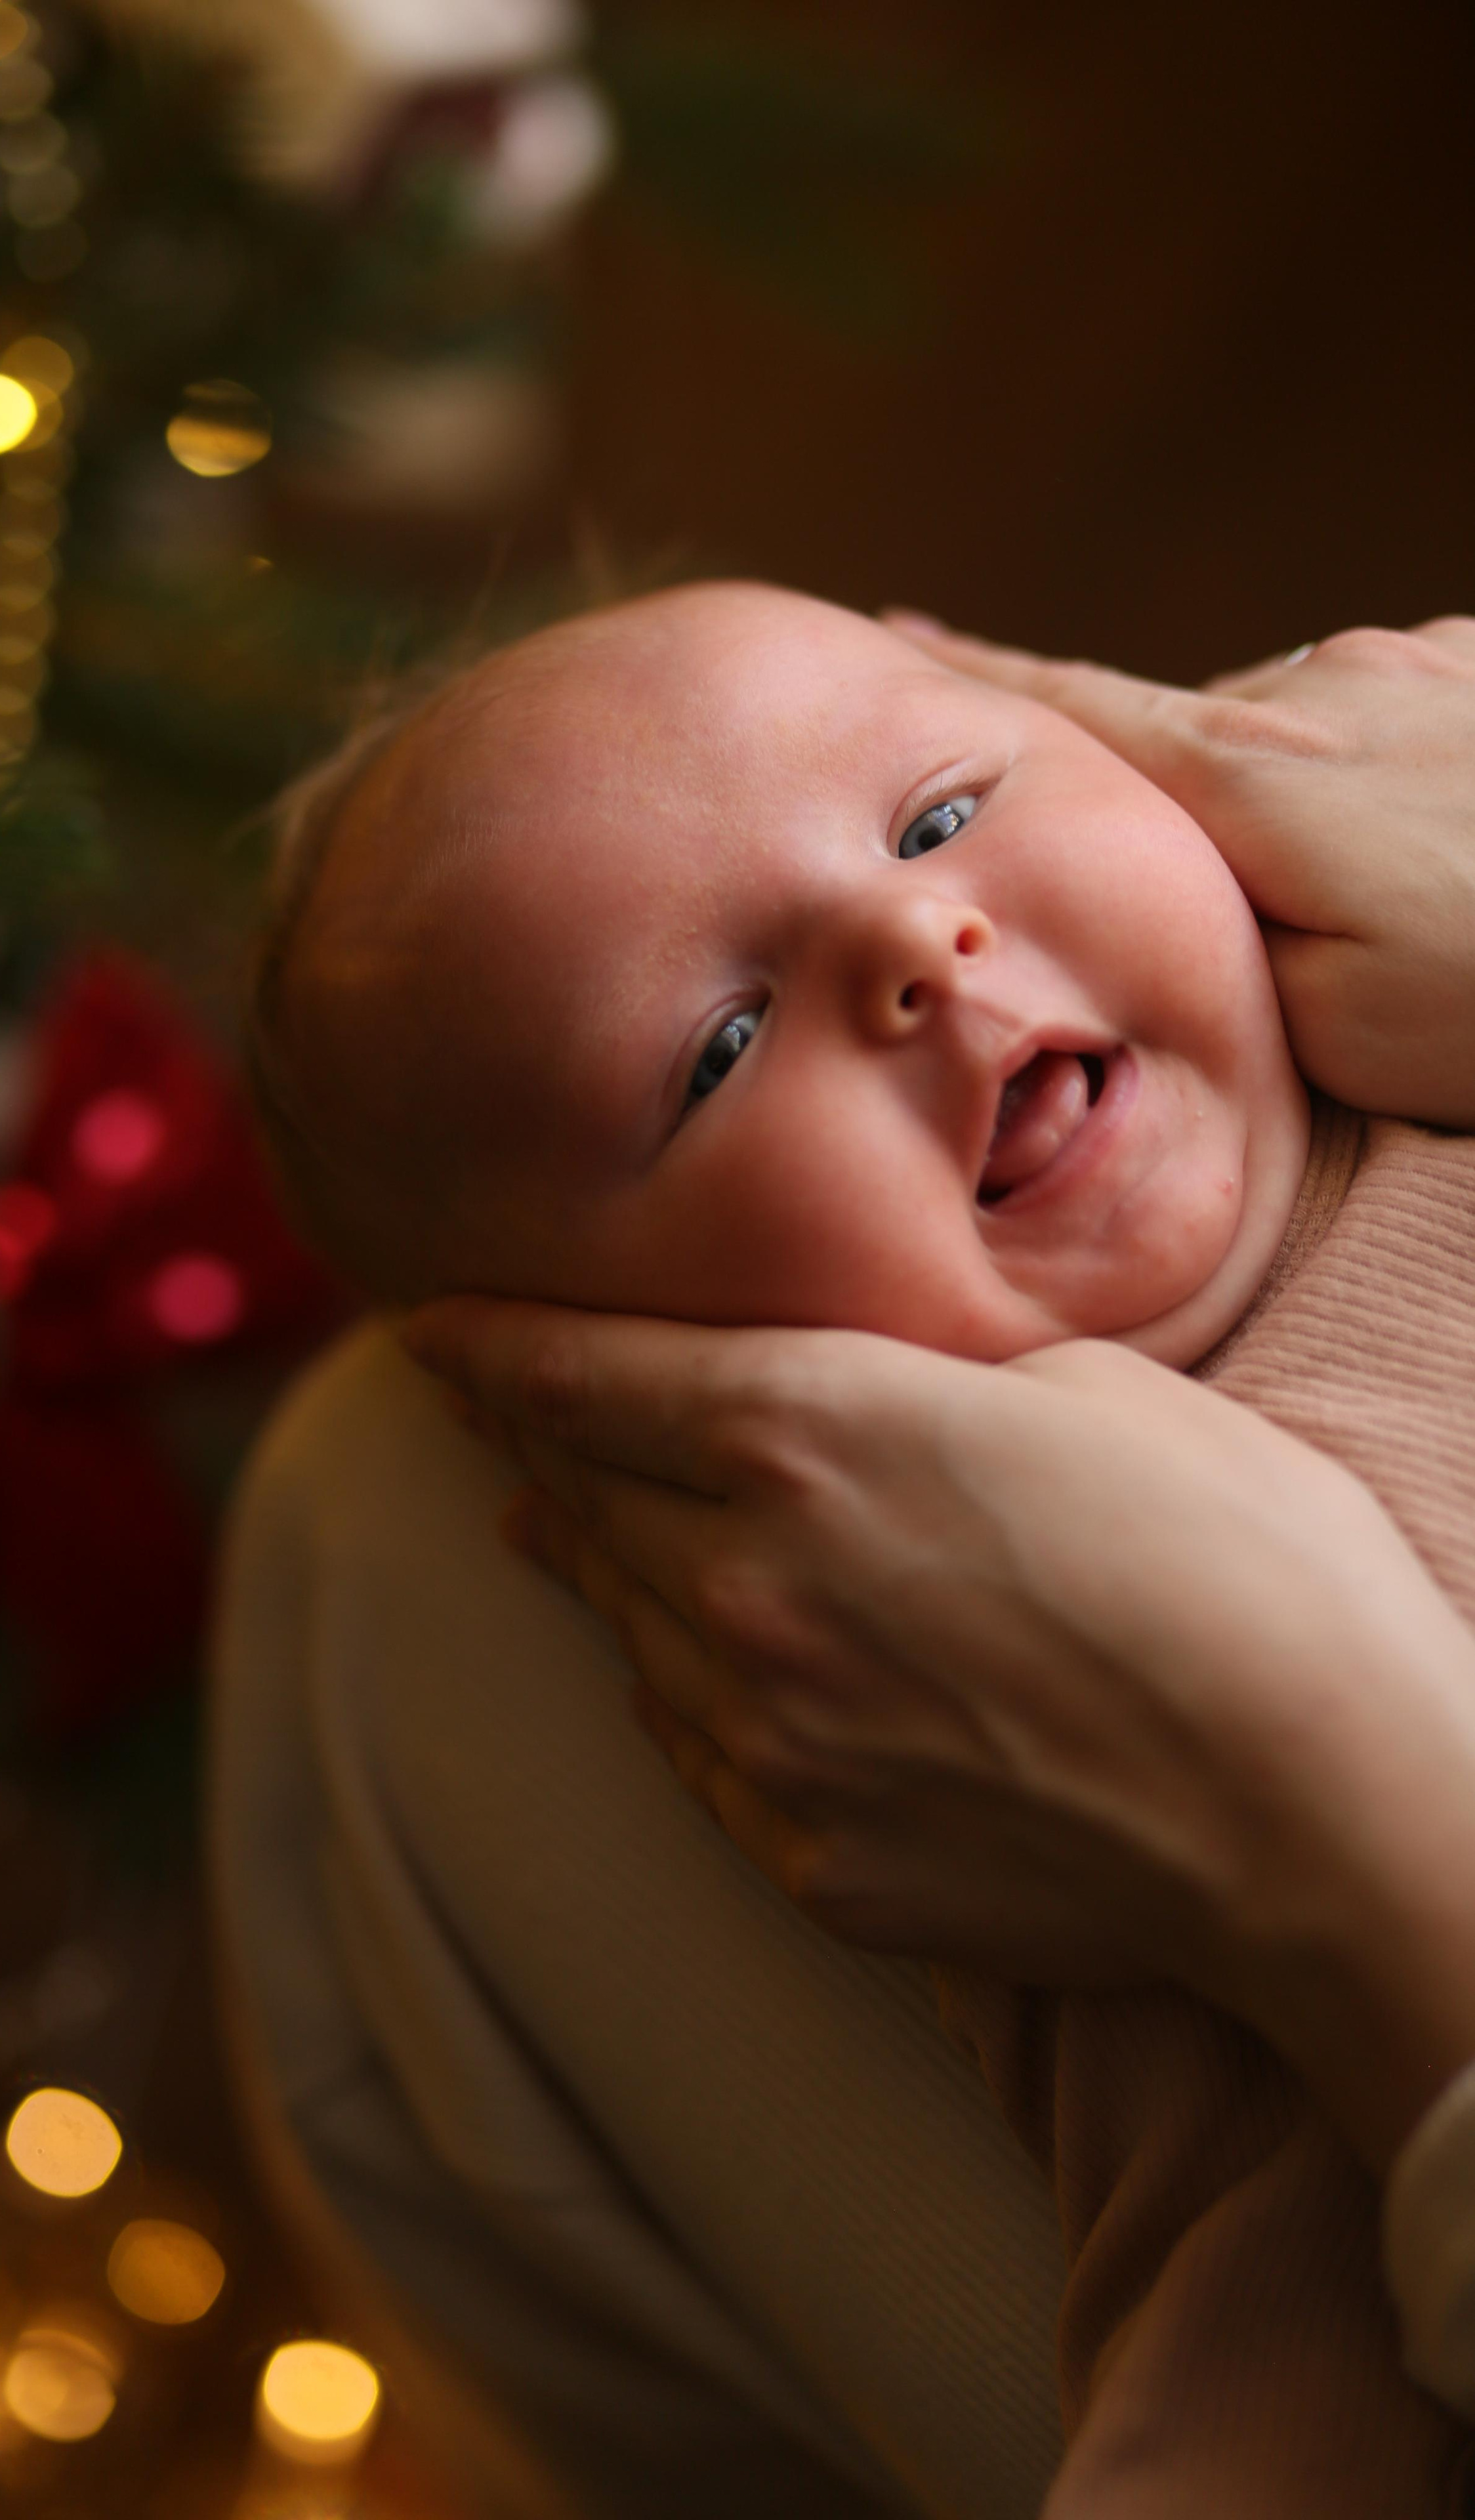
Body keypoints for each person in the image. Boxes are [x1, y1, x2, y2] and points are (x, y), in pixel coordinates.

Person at [215, 596, 1475, 2519]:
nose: (914, 937)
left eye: (942, 810)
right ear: (627, 1392)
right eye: (717, 1052)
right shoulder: (1025, 1742)